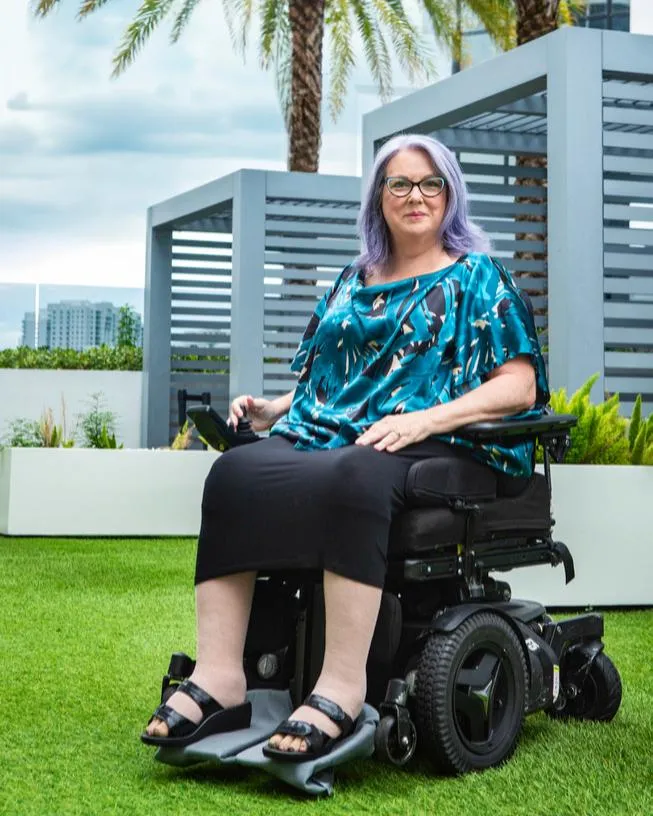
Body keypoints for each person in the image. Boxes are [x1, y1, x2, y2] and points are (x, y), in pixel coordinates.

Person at [142, 133, 549, 762]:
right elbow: (334, 377)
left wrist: (424, 421)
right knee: (235, 472)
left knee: (359, 474)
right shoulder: (353, 278)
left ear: (450, 196)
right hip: (340, 432)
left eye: (430, 184)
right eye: (399, 184)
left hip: (438, 439)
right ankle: (220, 677)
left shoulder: (478, 277)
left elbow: (519, 386)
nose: (416, 196)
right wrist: (276, 407)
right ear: (379, 199)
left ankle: (341, 686)